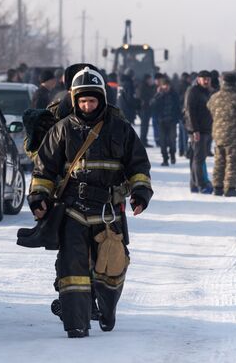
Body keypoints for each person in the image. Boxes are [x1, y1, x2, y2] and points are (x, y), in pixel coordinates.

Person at [28, 66, 153, 338]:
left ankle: (107, 309)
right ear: (75, 100)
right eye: (82, 100)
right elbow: (44, 170)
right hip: (73, 210)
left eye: (92, 100)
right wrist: (38, 196)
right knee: (72, 270)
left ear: (101, 99)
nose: (87, 105)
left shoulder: (120, 129)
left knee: (112, 269)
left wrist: (141, 191)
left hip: (108, 212)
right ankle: (76, 324)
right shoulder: (62, 130)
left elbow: (139, 165)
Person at [207, 72, 236, 196]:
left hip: (218, 133)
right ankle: (230, 188)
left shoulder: (214, 97)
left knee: (219, 160)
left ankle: (217, 186)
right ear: (234, 83)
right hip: (234, 135)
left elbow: (209, 109)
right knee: (232, 161)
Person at [184, 70, 214, 193]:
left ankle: (194, 184)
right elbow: (190, 112)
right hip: (198, 130)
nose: (206, 81)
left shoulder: (207, 92)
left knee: (197, 158)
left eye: (208, 79)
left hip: (206, 129)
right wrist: (195, 130)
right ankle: (201, 185)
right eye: (203, 79)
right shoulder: (193, 91)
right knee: (199, 158)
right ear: (198, 79)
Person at [150, 76, 181, 166]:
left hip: (172, 121)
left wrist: (178, 118)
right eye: (164, 85)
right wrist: (157, 95)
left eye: (167, 85)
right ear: (161, 86)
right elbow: (152, 105)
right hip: (161, 121)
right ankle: (165, 159)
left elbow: (178, 107)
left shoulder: (174, 94)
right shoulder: (158, 95)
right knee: (162, 142)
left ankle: (172, 155)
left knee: (172, 140)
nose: (166, 87)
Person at [137, 74, 156, 147]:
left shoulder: (147, 86)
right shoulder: (143, 87)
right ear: (147, 79)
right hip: (144, 109)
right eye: (150, 79)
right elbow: (142, 97)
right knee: (144, 126)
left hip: (146, 108)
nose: (151, 81)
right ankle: (143, 141)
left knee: (145, 126)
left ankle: (144, 140)